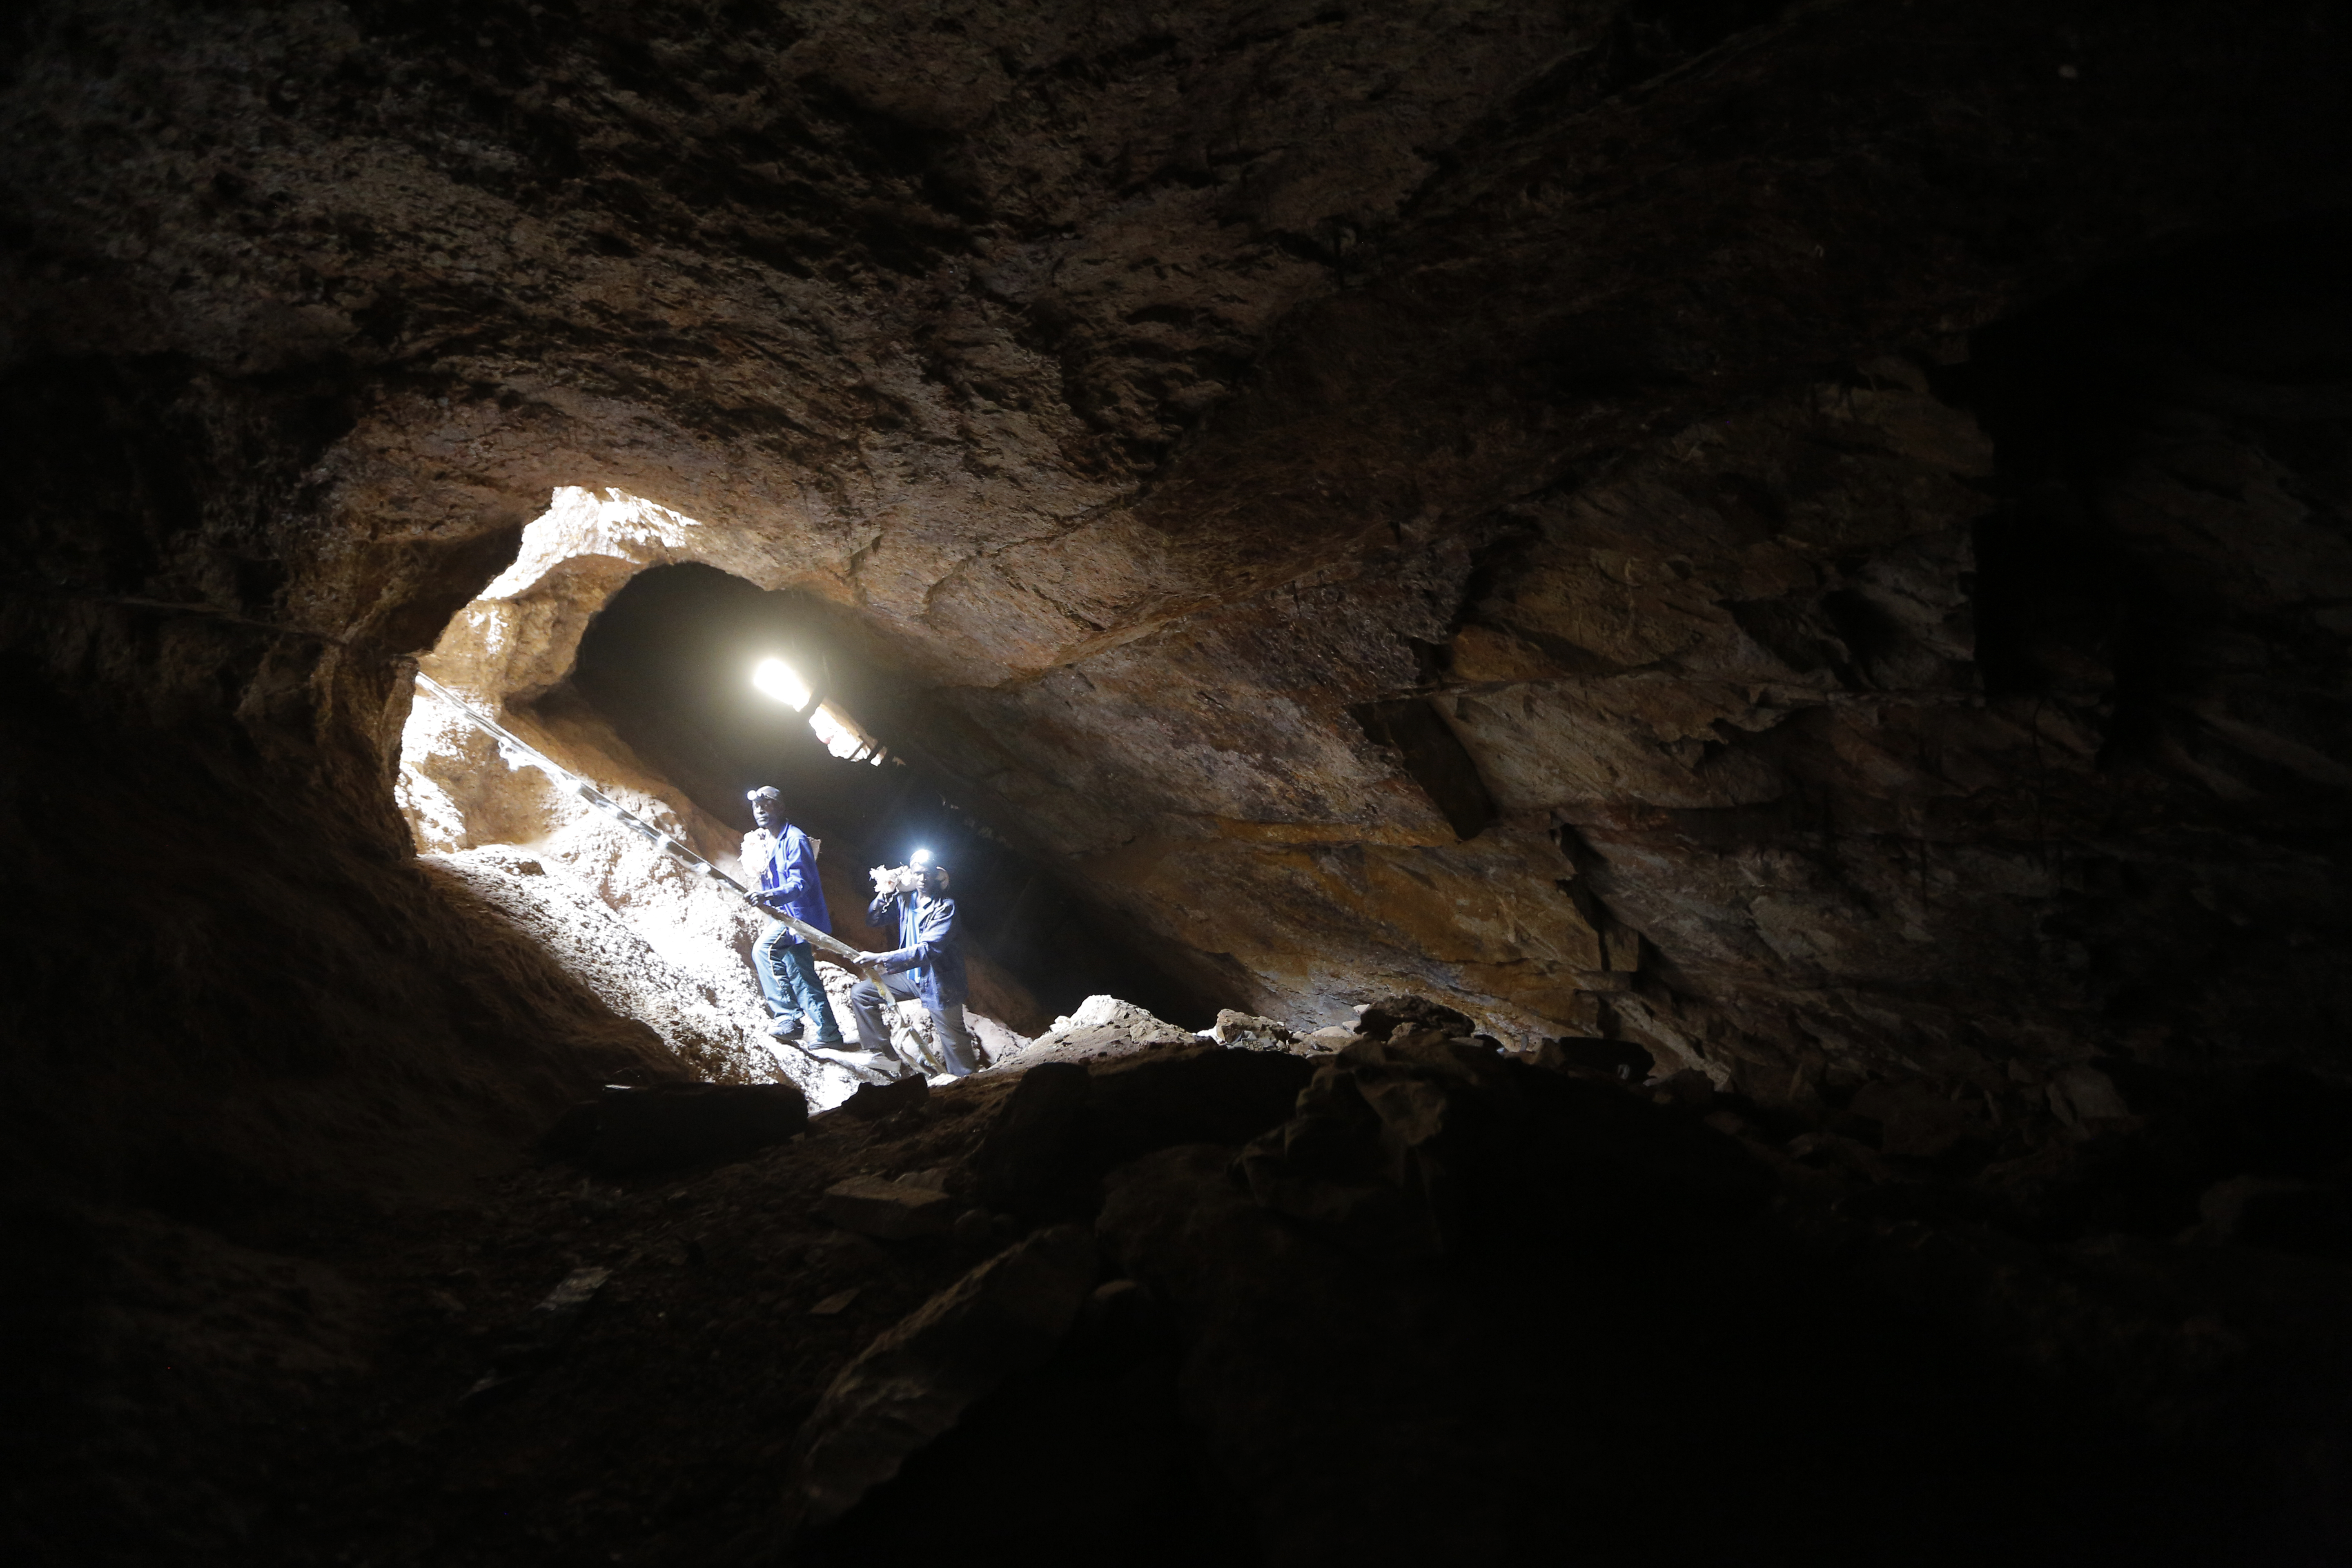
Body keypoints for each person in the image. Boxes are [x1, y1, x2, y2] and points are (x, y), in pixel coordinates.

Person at [851, 851, 978, 1079]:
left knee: (954, 1040)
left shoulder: (946, 908)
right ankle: (884, 1056)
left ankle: (967, 1082)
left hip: (939, 982)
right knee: (861, 994)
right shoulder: (905, 901)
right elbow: (873, 920)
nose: (922, 879)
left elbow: (928, 950)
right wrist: (885, 892)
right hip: (910, 978)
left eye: (927, 874)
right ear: (911, 875)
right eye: (918, 874)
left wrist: (881, 958)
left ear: (937, 876)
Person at [741, 786, 844, 1049]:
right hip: (781, 914)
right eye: (757, 807)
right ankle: (830, 1033)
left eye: (768, 805)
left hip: (797, 917)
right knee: (801, 974)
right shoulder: (765, 840)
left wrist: (768, 896)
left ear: (781, 807)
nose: (761, 810)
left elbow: (801, 883)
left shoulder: (795, 840)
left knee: (763, 951)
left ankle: (787, 1018)